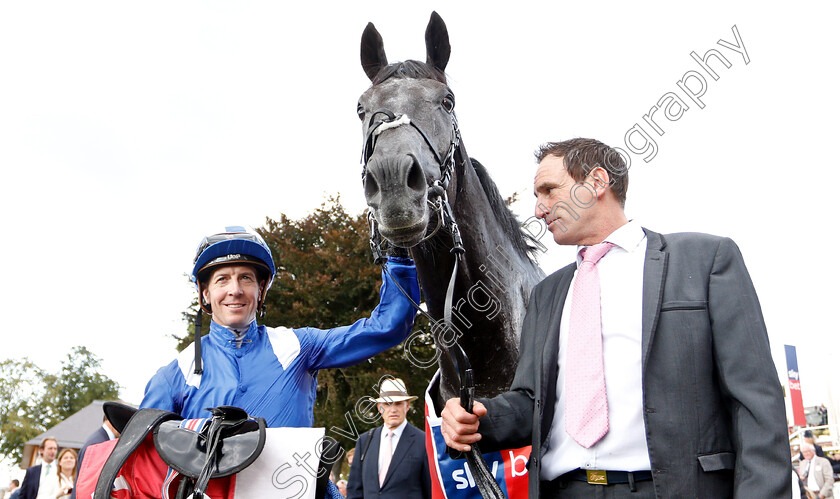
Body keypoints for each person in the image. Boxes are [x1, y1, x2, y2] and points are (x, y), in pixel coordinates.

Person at [440, 138, 791, 498]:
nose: (539, 209)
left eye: (548, 190)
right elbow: (531, 401)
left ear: (596, 182)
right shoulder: (546, 294)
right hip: (565, 489)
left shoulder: (706, 260)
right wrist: (479, 417)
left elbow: (755, 401)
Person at [141, 227, 419, 494]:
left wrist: (398, 252)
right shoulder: (175, 373)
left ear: (261, 290)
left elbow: (386, 328)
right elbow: (142, 465)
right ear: (205, 293)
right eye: (222, 279)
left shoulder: (299, 346)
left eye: (246, 278)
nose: (235, 290)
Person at [347, 378, 430, 499]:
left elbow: (430, 490)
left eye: (398, 403)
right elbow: (354, 490)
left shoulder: (423, 441)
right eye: (387, 404)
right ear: (379, 408)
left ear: (407, 406)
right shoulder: (364, 441)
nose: (393, 410)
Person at [70, 402, 125, 499]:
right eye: (122, 420)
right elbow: (91, 485)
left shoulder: (101, 440)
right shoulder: (98, 444)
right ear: (112, 419)